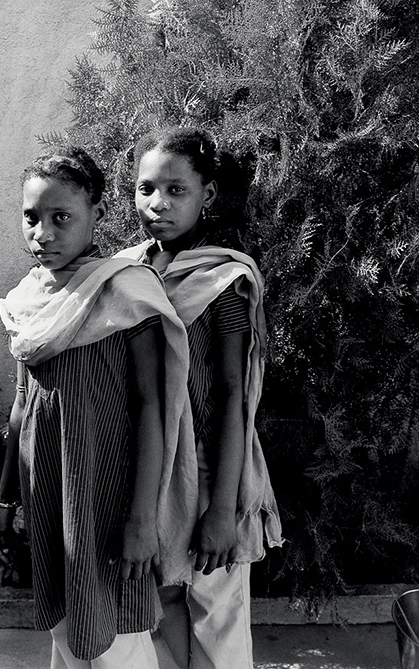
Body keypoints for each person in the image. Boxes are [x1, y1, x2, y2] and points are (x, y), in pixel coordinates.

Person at [0, 146, 198, 669]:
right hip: (47, 490)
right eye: (31, 218)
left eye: (61, 217)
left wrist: (142, 521)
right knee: (64, 623)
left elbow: (152, 408)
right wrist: (4, 498)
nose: (43, 234)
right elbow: (22, 404)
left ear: (97, 214)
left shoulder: (125, 293)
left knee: (115, 632)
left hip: (105, 495)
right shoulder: (28, 302)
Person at [115, 127, 283, 669]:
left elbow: (234, 396)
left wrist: (223, 510)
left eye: (176, 190)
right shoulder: (129, 273)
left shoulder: (222, 281)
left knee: (218, 614)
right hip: (150, 470)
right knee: (161, 607)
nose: (157, 203)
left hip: (210, 470)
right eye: (145, 188)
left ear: (206, 194)